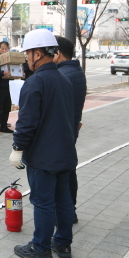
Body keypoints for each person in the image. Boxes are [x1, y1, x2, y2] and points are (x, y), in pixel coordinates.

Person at [10, 29, 76, 258]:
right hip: (65, 152)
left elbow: (27, 122)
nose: (26, 58)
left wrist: (18, 148)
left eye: (27, 53)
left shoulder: (35, 82)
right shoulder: (64, 79)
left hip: (43, 155)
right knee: (64, 201)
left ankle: (41, 247)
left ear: (37, 54)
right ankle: (63, 244)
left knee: (43, 203)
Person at [54, 36, 87, 224]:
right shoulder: (75, 71)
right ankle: (69, 210)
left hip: (61, 132)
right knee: (68, 171)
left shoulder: (63, 75)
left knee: (62, 174)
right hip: (70, 129)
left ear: (57, 54)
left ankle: (65, 212)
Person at [0, 41, 14, 134]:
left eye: (6, 49)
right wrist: (2, 73)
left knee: (7, 107)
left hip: (8, 85)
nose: (4, 50)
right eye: (2, 49)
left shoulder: (10, 58)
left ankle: (4, 126)